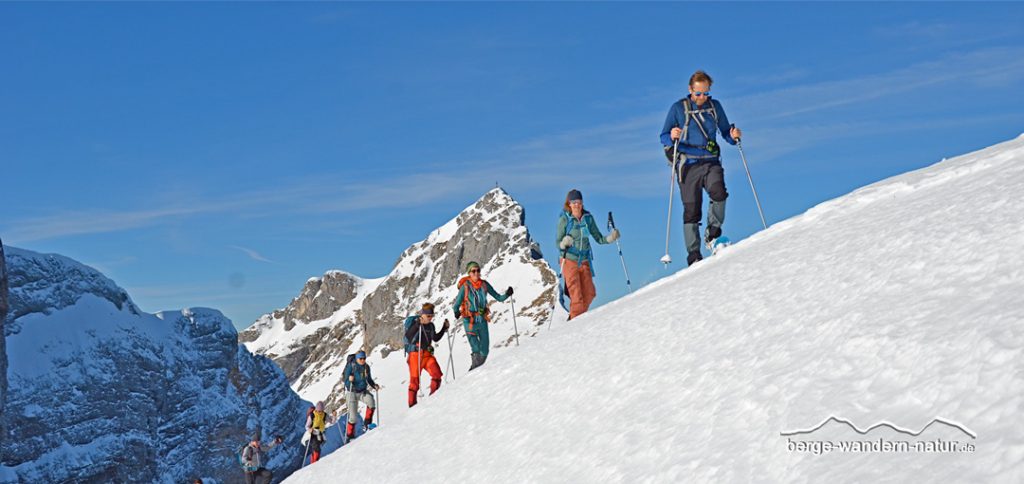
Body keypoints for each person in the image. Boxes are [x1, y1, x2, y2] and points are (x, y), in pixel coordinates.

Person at [660, 69, 743, 266]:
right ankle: (694, 254)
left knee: (719, 193)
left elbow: (725, 132)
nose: (702, 97)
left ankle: (713, 234)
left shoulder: (715, 107)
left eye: (705, 93)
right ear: (690, 89)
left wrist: (733, 136)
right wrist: (672, 134)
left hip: (710, 159)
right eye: (698, 93)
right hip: (687, 163)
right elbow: (663, 136)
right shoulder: (678, 109)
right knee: (691, 209)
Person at [556, 189, 619, 319]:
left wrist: (611, 238)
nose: (576, 205)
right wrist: (564, 243)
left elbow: (599, 238)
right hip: (568, 260)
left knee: (590, 293)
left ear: (582, 202)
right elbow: (558, 242)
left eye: (578, 202)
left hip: (584, 260)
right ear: (569, 204)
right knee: (577, 298)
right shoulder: (565, 219)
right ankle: (576, 326)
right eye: (573, 202)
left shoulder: (588, 218)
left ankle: (575, 320)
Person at [452, 261, 512, 371]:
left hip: (482, 320)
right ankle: (473, 375)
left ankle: (474, 370)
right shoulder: (465, 287)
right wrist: (456, 311)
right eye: (473, 271)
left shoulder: (484, 285)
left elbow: (498, 297)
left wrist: (507, 294)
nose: (476, 273)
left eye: (478, 270)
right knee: (476, 349)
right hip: (469, 322)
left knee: (484, 351)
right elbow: (456, 304)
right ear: (469, 273)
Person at [404, 303, 450, 407]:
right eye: (428, 316)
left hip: (427, 354)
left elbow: (435, 338)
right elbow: (408, 337)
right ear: (423, 314)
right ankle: (412, 406)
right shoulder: (416, 323)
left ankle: (432, 399)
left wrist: (444, 328)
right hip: (415, 355)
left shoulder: (431, 325)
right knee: (414, 382)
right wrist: (417, 325)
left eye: (432, 316)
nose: (430, 318)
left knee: (437, 374)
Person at [342, 350, 379, 440]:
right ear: (357, 358)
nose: (363, 360)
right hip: (352, 392)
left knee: (371, 402)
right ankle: (349, 436)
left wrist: (374, 385)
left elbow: (369, 379)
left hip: (362, 391)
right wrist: (349, 380)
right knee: (353, 417)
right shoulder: (351, 366)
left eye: (364, 358)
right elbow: (345, 380)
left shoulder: (366, 367)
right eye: (360, 358)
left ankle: (367, 425)